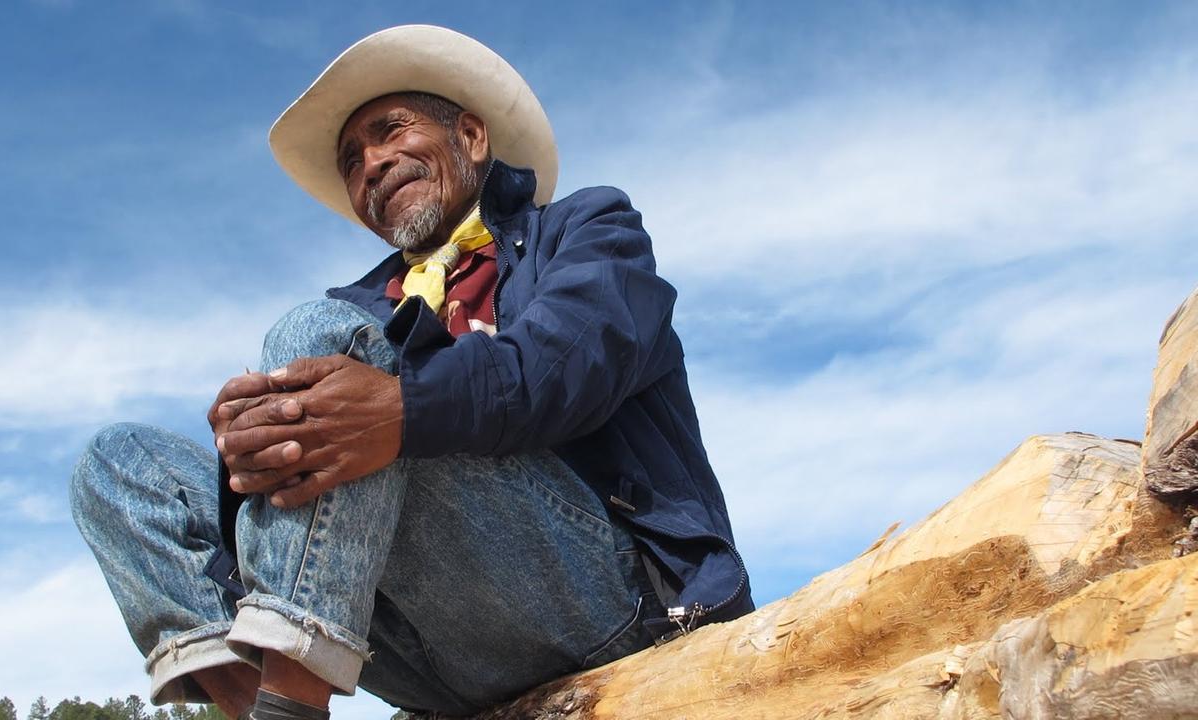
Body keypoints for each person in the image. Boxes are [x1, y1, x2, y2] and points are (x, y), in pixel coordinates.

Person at [70, 25, 752, 719]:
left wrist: (397, 408)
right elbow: (315, 519)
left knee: (314, 342)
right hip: (429, 651)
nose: (371, 163)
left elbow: (573, 362)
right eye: (351, 159)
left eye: (390, 129)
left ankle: (292, 702)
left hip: (607, 604)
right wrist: (250, 448)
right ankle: (257, 704)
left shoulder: (586, 229)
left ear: (473, 138)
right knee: (119, 464)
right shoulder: (365, 308)